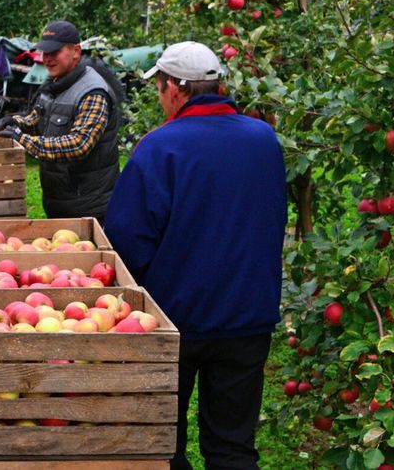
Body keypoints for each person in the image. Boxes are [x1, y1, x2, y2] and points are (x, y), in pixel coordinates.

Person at [102, 42, 287, 469]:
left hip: (175, 320)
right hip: (247, 316)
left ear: (173, 89)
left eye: (158, 88)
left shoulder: (160, 147)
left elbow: (127, 239)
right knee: (233, 446)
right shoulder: (263, 139)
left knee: (165, 442)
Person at [0, 20, 122, 221]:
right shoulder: (55, 84)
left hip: (89, 208)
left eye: (55, 52)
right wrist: (14, 122)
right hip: (60, 201)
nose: (47, 59)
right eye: (45, 53)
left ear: (76, 51)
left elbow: (78, 144)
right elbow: (38, 120)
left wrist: (22, 140)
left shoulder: (93, 93)